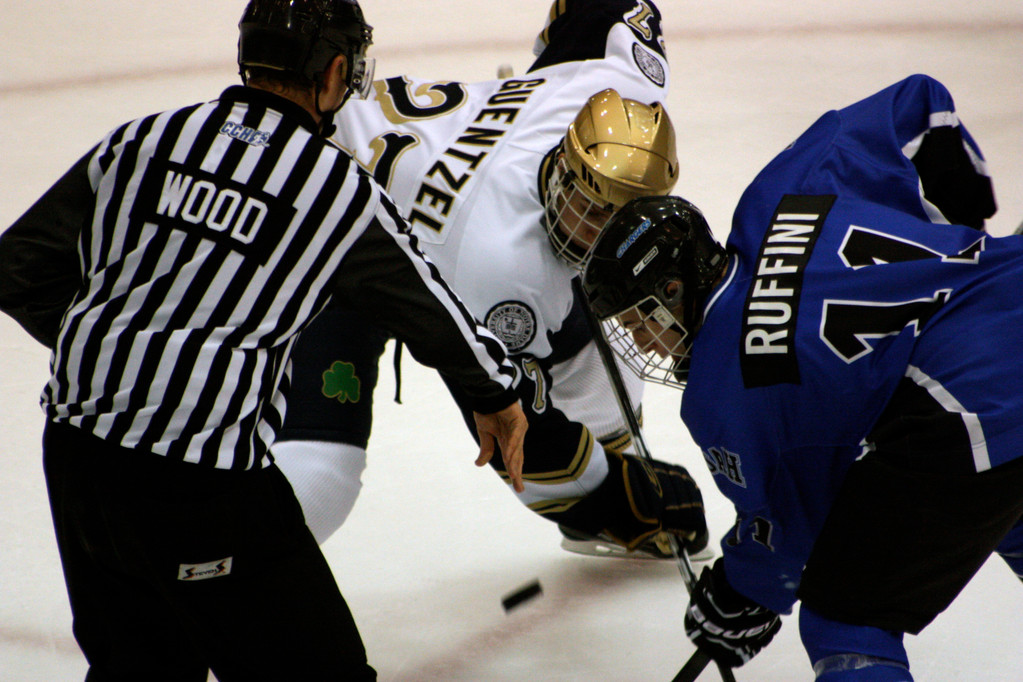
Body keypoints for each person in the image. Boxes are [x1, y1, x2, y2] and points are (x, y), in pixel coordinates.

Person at [0, 1, 528, 680]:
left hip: (75, 461)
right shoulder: (333, 186)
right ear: (337, 69)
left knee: (141, 667)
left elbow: (16, 268)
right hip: (200, 484)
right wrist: (497, 394)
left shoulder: (143, 139)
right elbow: (429, 311)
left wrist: (113, 347)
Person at [580, 73, 1023, 680]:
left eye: (636, 321)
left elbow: (790, 530)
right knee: (1005, 498)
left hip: (972, 400)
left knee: (845, 619)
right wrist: (968, 222)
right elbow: (918, 104)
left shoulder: (726, 384)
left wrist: (742, 593)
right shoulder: (783, 190)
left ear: (672, 288)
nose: (636, 341)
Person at [273, 0, 711, 560]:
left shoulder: (620, 93)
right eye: (592, 210)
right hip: (319, 233)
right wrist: (619, 500)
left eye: (621, 219)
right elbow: (517, 438)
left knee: (597, 359)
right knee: (321, 474)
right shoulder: (503, 272)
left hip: (402, 187)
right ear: (562, 175)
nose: (604, 234)